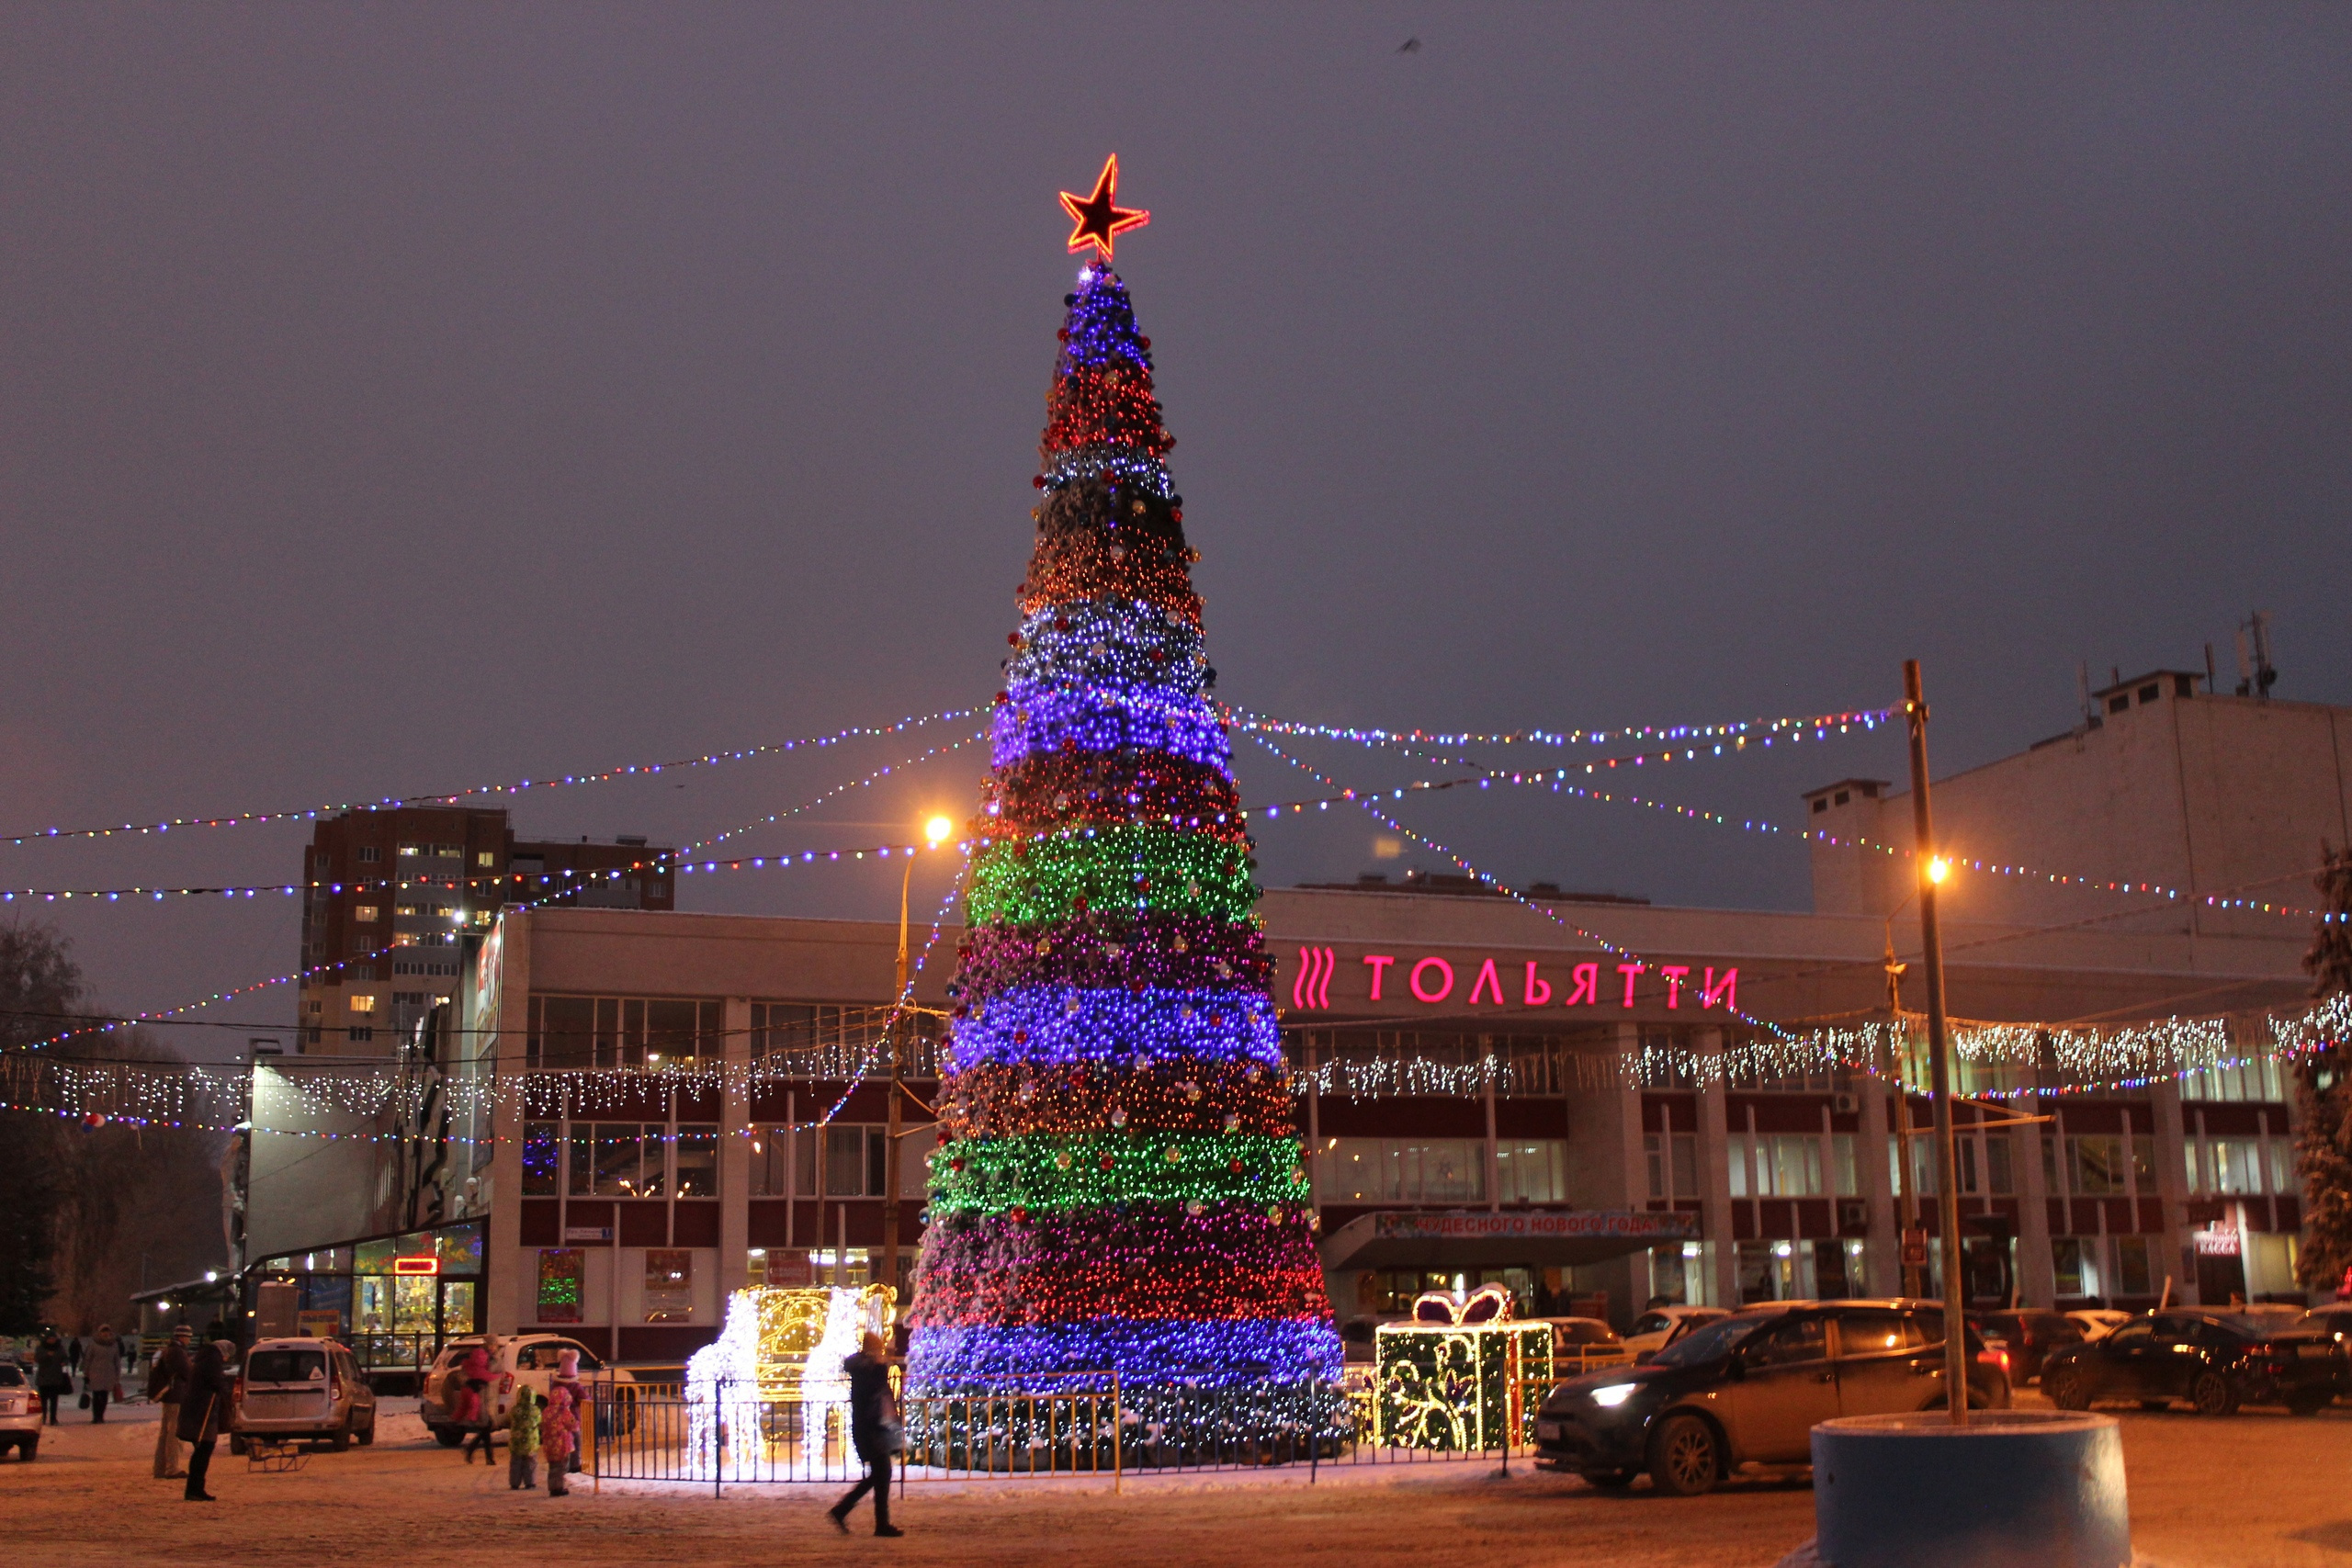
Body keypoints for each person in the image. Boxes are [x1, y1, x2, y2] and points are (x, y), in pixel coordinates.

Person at [826, 1332, 902, 1538]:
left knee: (880, 1474)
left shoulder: (864, 1369)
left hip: (871, 1428)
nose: (882, 1354)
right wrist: (880, 1367)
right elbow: (874, 1392)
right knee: (882, 1473)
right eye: (879, 1350)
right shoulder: (867, 1370)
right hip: (870, 1429)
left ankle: (845, 1511)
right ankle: (876, 1522)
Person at [177, 1339, 235, 1502]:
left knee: (202, 1449)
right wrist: (226, 1390)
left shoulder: (205, 1358)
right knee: (204, 1449)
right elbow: (215, 1382)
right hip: (203, 1411)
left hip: (197, 1410)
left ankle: (195, 1488)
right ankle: (195, 1489)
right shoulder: (212, 1360)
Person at [149, 1325, 195, 1478]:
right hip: (176, 1396)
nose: (189, 1339)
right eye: (188, 1336)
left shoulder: (168, 1350)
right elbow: (188, 1372)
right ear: (182, 1337)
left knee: (165, 1432)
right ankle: (172, 1468)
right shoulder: (178, 1352)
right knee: (175, 1433)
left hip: (169, 1396)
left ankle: (160, 1468)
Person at [540, 1383, 577, 1497]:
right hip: (562, 1444)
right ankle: (558, 1487)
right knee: (561, 1467)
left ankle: (552, 1487)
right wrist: (576, 1426)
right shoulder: (564, 1411)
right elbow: (572, 1424)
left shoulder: (546, 1411)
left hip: (549, 1444)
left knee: (553, 1466)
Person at [458, 1341, 492, 1464]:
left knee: (486, 1428)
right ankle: (487, 1457)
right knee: (486, 1428)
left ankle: (473, 1450)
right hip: (478, 1401)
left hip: (480, 1400)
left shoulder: (476, 1365)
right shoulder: (477, 1366)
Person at [80, 1325, 121, 1422]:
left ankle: (101, 1416)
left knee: (104, 1396)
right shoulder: (93, 1344)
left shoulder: (114, 1345)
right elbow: (88, 1359)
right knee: (96, 1395)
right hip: (95, 1373)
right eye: (103, 1332)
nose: (106, 1334)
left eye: (107, 1332)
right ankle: (96, 1417)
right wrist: (86, 1372)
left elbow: (117, 1361)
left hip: (109, 1373)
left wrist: (117, 1374)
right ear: (99, 1333)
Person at [506, 1388, 541, 1492]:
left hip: (516, 1442)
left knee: (516, 1463)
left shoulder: (515, 1410)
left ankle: (514, 1483)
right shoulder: (535, 1411)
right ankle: (529, 1482)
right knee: (530, 1463)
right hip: (530, 1442)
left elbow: (510, 1419)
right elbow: (538, 1421)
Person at [33, 1332, 70, 1425]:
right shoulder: (41, 1348)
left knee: (54, 1400)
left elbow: (65, 1358)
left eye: (53, 1338)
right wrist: (47, 1355)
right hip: (44, 1378)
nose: (52, 1340)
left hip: (56, 1377)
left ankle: (53, 1419)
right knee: (43, 1401)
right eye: (50, 1338)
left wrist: (64, 1362)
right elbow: (37, 1359)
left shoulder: (59, 1348)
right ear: (46, 1339)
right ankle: (43, 1418)